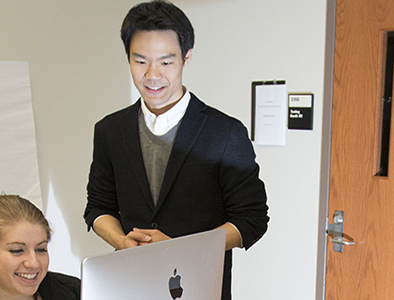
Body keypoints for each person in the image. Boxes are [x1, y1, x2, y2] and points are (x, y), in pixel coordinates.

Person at [83, 1, 270, 299]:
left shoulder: (225, 132)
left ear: (186, 57)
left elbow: (252, 219)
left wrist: (179, 249)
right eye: (140, 61)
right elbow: (98, 207)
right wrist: (121, 241)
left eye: (166, 62)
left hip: (200, 287)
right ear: (128, 58)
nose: (152, 75)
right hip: (131, 284)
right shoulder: (109, 130)